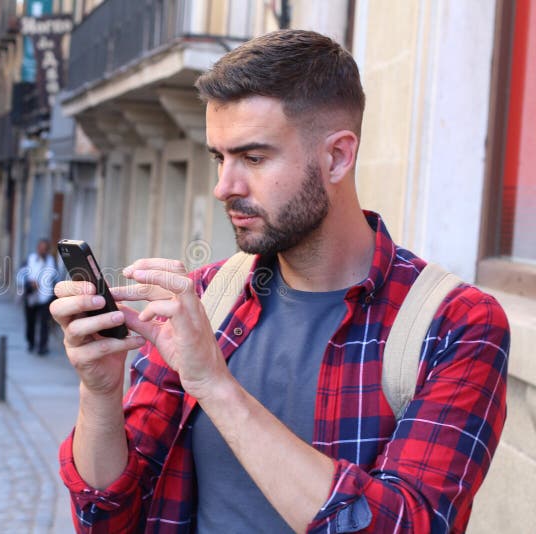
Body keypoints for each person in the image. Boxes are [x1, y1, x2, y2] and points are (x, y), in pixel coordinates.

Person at [49, 30, 509, 533]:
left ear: (337, 157)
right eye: (218, 158)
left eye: (253, 158)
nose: (225, 187)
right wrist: (100, 391)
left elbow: (404, 524)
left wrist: (216, 387)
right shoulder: (206, 301)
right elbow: (108, 517)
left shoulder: (455, 325)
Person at [24, 238, 57, 355]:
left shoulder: (51, 261)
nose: (42, 251)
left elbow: (55, 279)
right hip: (32, 296)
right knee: (31, 322)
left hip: (46, 298)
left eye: (44, 249)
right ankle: (31, 343)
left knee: (44, 324)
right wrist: (30, 284)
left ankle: (42, 346)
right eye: (40, 248)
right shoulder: (31, 259)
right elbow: (22, 275)